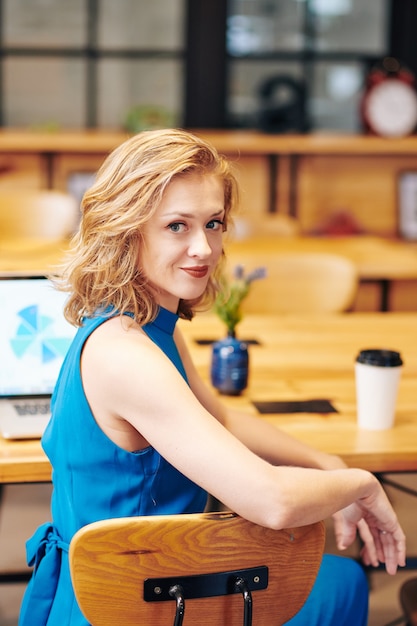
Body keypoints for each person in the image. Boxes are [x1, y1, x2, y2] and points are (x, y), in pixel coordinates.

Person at [19, 128, 405, 625]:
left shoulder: (140, 317)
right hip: (126, 601)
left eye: (214, 223)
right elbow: (272, 501)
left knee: (335, 579)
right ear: (126, 229)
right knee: (344, 583)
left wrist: (324, 461)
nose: (204, 247)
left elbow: (216, 413)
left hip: (147, 576)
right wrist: (360, 483)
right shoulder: (126, 355)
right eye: (177, 226)